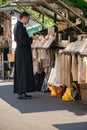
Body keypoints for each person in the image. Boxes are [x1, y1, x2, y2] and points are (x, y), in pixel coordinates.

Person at [13, 12, 38, 99]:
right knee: (23, 71)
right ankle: (22, 92)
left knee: (22, 71)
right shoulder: (20, 27)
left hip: (21, 51)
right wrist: (32, 38)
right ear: (23, 17)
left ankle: (22, 91)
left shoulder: (18, 26)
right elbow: (23, 40)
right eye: (28, 18)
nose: (28, 20)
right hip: (22, 52)